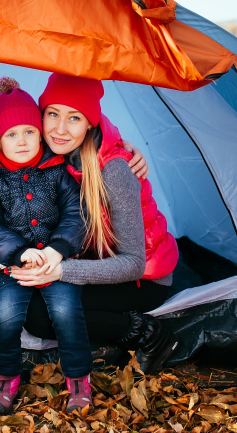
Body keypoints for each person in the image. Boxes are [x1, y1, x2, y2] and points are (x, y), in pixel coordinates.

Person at [16, 73, 182, 374]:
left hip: (143, 277)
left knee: (38, 313)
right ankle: (105, 343)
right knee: (28, 295)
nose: (60, 128)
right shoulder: (50, 156)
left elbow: (133, 263)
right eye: (53, 114)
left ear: (90, 123)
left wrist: (63, 271)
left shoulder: (115, 171)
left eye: (74, 118)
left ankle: (148, 334)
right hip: (96, 263)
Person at [0, 78, 91, 415]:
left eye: (28, 132)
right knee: (4, 315)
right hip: (14, 263)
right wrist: (18, 252)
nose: (21, 141)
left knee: (67, 312)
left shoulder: (57, 169)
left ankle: (79, 382)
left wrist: (58, 249)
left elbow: (76, 213)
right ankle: (5, 381)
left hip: (56, 261)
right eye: (11, 134)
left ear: (40, 132)